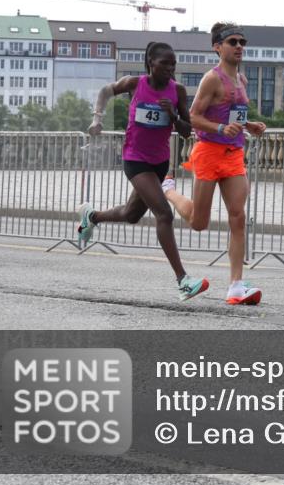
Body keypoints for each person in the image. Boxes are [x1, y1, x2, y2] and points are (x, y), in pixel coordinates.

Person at [77, 42, 210, 301]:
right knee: (164, 213)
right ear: (151, 63)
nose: (170, 69)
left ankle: (92, 217)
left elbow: (186, 131)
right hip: (135, 159)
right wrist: (97, 118)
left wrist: (173, 115)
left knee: (131, 214)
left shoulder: (178, 91)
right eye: (165, 63)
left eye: (174, 64)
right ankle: (183, 280)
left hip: (159, 161)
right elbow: (105, 91)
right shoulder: (135, 84)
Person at [162, 23, 267, 305]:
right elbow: (192, 117)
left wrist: (250, 125)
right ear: (217, 47)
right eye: (232, 41)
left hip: (233, 155)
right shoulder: (212, 79)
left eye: (242, 42)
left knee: (238, 217)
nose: (239, 46)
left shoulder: (242, 81)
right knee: (199, 222)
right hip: (208, 152)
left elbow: (236, 116)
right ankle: (168, 191)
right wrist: (220, 129)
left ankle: (235, 286)